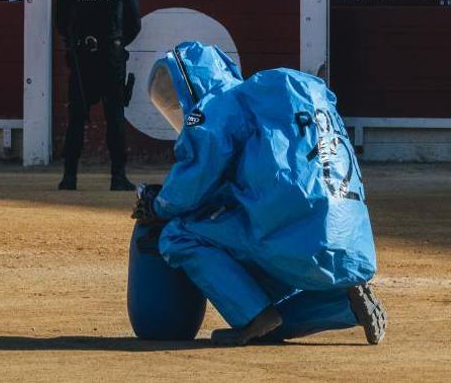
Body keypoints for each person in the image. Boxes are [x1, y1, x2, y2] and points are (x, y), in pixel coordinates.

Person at [136, 42, 387, 346]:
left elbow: (195, 179)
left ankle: (253, 316)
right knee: (272, 322)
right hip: (350, 244)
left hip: (296, 240)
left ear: (193, 82)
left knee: (179, 234)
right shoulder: (271, 102)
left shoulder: (218, 105)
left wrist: (158, 206)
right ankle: (343, 305)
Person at [56, 0, 141, 191]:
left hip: (82, 60)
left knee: (77, 119)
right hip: (111, 59)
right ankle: (118, 177)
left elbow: (61, 22)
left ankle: (69, 177)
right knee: (115, 117)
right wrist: (115, 44)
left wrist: (77, 44)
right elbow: (134, 25)